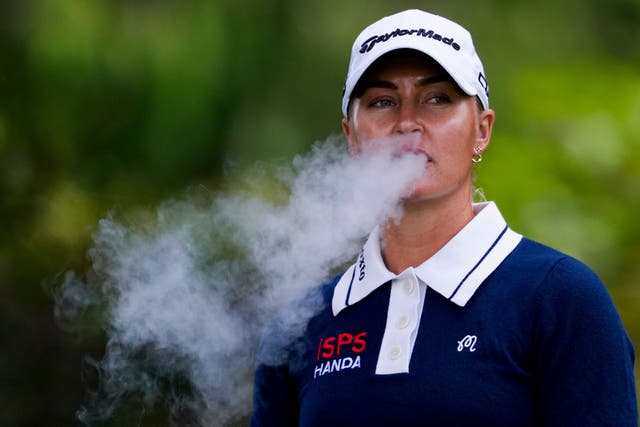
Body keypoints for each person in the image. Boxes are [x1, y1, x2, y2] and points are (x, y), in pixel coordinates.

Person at [250, 9, 638, 426]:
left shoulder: (560, 298)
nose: (407, 123)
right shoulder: (302, 325)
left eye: (437, 99)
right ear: (351, 136)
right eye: (382, 102)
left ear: (482, 129)